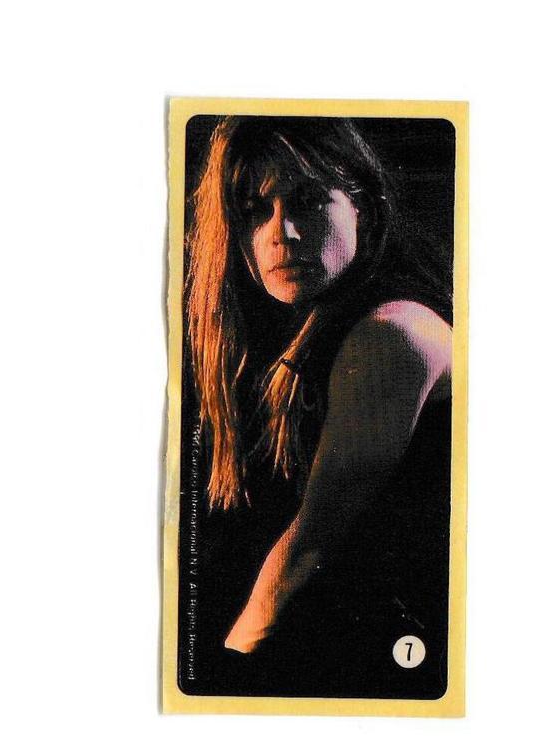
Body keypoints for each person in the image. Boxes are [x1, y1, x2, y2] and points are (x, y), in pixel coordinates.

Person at [182, 116, 453, 698]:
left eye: (307, 201)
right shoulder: (305, 329)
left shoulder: (391, 335)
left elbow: (307, 552)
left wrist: (219, 677)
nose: (281, 233)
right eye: (255, 211)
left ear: (364, 209)